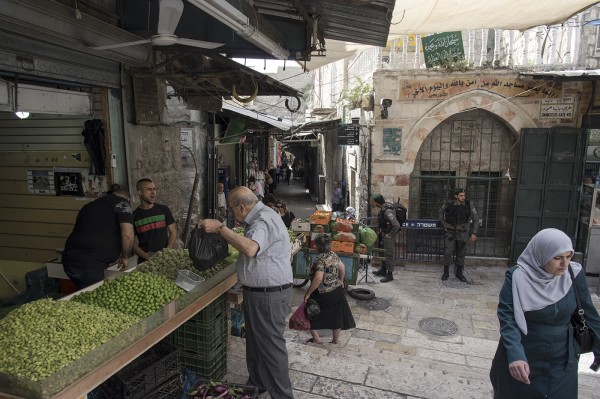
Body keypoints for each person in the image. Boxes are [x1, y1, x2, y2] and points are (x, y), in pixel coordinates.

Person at [199, 187, 294, 398]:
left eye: (232, 210)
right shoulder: (261, 217)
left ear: (242, 206)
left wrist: (221, 229)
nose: (232, 215)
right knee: (255, 341)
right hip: (260, 293)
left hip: (268, 295)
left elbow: (251, 249)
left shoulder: (263, 220)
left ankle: (282, 395)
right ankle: (257, 383)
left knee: (271, 347)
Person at [489, 228, 600, 399]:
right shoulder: (517, 277)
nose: (564, 263)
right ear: (541, 255)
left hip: (562, 359)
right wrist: (516, 355)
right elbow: (507, 317)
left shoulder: (574, 274)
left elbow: (590, 315)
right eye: (557, 258)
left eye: (568, 256)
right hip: (525, 353)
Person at [62, 185, 134, 290]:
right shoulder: (122, 203)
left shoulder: (90, 205)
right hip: (90, 267)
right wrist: (125, 257)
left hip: (69, 262)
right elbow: (128, 235)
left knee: (84, 292)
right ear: (128, 199)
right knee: (96, 298)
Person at [438, 187, 479, 282]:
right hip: (450, 232)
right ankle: (446, 271)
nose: (463, 197)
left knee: (461, 253)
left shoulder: (469, 204)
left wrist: (474, 232)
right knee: (448, 252)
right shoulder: (449, 203)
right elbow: (441, 212)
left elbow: (476, 219)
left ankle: (459, 273)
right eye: (461, 196)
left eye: (464, 195)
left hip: (463, 233)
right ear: (456, 196)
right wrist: (443, 224)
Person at [132, 178, 176, 263]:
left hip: (164, 257)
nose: (153, 192)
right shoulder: (134, 216)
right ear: (139, 193)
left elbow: (173, 232)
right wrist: (147, 257)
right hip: (145, 260)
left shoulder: (164, 209)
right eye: (149, 189)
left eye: (154, 189)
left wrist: (167, 252)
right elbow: (131, 243)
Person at [371, 194, 401, 283]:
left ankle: (390, 274)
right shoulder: (384, 208)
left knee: (388, 254)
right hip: (384, 234)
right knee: (382, 253)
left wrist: (390, 235)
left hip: (389, 236)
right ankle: (383, 270)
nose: (374, 204)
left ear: (377, 202)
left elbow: (396, 225)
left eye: (374, 202)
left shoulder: (388, 211)